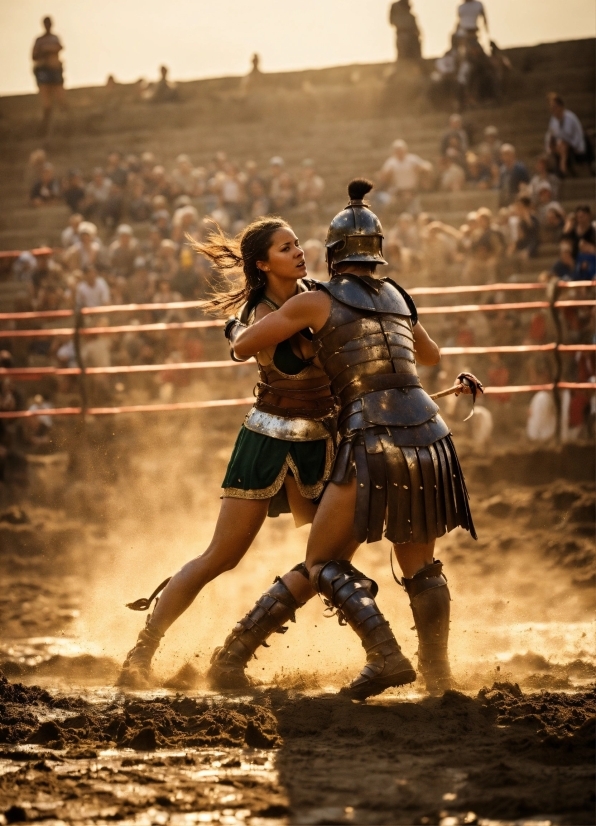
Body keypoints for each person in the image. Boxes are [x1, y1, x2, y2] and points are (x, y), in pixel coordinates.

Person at [226, 180, 480, 699]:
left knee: (322, 562)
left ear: (333, 252)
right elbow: (429, 357)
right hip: (430, 436)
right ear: (378, 251)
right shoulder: (398, 296)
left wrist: (242, 327)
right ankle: (438, 676)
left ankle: (385, 656)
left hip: (370, 441)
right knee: (420, 566)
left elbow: (244, 346)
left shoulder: (318, 300)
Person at [116, 218, 338, 690]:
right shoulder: (262, 313)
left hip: (320, 438)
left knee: (331, 553)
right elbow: (241, 347)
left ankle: (239, 647)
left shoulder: (318, 295)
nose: (299, 251)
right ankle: (144, 649)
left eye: (298, 243)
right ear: (263, 262)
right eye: (286, 247)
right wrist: (239, 329)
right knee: (221, 556)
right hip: (268, 439)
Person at [32, 16, 67, 134]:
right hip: (44, 71)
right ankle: (46, 125)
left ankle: (65, 123)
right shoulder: (39, 40)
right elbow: (34, 55)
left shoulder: (54, 38)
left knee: (60, 96)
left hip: (54, 70)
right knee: (46, 100)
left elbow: (59, 48)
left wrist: (47, 50)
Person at [379, 139, 432, 214]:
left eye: (401, 150)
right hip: (398, 192)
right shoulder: (391, 162)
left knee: (416, 211)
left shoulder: (412, 159)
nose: (399, 152)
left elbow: (427, 166)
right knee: (391, 208)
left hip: (412, 190)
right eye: (397, 150)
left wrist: (421, 168)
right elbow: (383, 176)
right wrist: (388, 174)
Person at [545, 94, 587, 177]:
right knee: (555, 146)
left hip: (574, 147)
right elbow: (550, 135)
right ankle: (560, 170)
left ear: (561, 107)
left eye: (555, 107)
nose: (553, 110)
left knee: (564, 146)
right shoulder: (553, 120)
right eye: (551, 108)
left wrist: (567, 143)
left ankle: (564, 167)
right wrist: (552, 146)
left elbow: (578, 136)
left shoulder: (571, 118)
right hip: (560, 148)